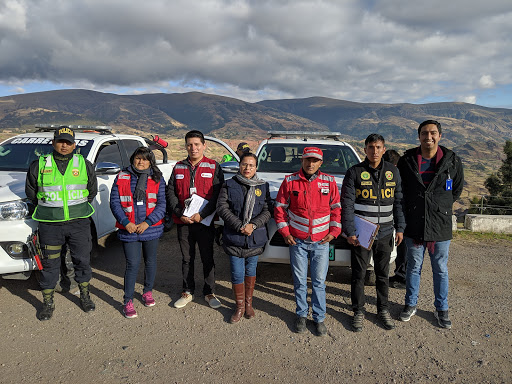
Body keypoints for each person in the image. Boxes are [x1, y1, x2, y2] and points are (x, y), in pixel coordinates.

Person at [25, 126, 98, 321]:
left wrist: (75, 210)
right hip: (50, 224)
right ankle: (47, 303)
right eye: (60, 141)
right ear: (53, 143)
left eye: (68, 142)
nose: (64, 145)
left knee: (82, 260)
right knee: (49, 264)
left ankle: (85, 295)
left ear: (74, 145)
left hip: (79, 223)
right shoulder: (38, 164)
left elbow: (91, 191)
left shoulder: (84, 164)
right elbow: (31, 193)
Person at [398, 120, 464, 329]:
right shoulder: (407, 160)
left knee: (440, 270)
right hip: (414, 224)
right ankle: (410, 304)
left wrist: (438, 207)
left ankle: (441, 308)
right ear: (418, 136)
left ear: (440, 136)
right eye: (425, 133)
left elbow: (456, 191)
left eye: (433, 133)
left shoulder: (452, 161)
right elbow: (401, 191)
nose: (429, 137)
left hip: (439, 225)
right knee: (413, 268)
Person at [341, 134, 405, 332]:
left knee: (382, 275)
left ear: (384, 149)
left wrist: (400, 228)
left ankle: (382, 309)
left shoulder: (393, 172)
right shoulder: (354, 172)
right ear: (365, 149)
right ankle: (358, 311)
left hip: (386, 233)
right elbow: (347, 205)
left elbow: (399, 202)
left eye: (378, 147)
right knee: (359, 274)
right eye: (370, 147)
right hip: (363, 233)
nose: (374, 151)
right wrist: (350, 231)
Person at [274, 147, 341, 336]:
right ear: (302, 161)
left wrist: (334, 231)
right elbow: (279, 209)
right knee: (300, 281)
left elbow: (336, 208)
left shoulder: (329, 181)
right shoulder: (290, 181)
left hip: (322, 242)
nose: (310, 164)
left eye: (314, 160)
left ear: (321, 163)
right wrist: (285, 232)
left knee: (319, 282)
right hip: (298, 242)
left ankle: (319, 318)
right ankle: (301, 315)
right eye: (307, 160)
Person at [167, 130, 224, 309]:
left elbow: (218, 195)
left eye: (197, 144)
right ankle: (187, 291)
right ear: (186, 146)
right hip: (183, 222)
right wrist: (179, 212)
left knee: (207, 257)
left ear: (204, 146)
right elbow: (171, 192)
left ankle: (209, 292)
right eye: (190, 144)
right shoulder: (178, 167)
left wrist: (203, 214)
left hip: (204, 222)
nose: (193, 148)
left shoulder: (214, 166)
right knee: (186, 258)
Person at [110, 147, 166, 318]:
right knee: (132, 264)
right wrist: (126, 222)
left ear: (150, 161)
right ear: (132, 159)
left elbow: (162, 204)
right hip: (129, 230)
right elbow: (115, 202)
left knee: (150, 262)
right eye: (137, 158)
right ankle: (128, 300)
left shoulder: (157, 178)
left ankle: (147, 291)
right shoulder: (122, 176)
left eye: (145, 159)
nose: (141, 162)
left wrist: (147, 223)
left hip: (151, 228)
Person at [216, 152, 272, 323]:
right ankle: (239, 306)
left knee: (251, 271)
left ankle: (249, 304)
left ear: (256, 168)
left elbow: (268, 209)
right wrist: (239, 225)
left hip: (254, 238)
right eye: (244, 164)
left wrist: (253, 225)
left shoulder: (262, 186)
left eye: (251, 165)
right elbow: (222, 207)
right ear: (239, 165)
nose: (247, 168)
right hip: (234, 237)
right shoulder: (229, 184)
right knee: (237, 273)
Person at [383, 149, 408, 289]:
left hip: (402, 215)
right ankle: (400, 274)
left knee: (402, 246)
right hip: (394, 214)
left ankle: (403, 276)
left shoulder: (399, 176)